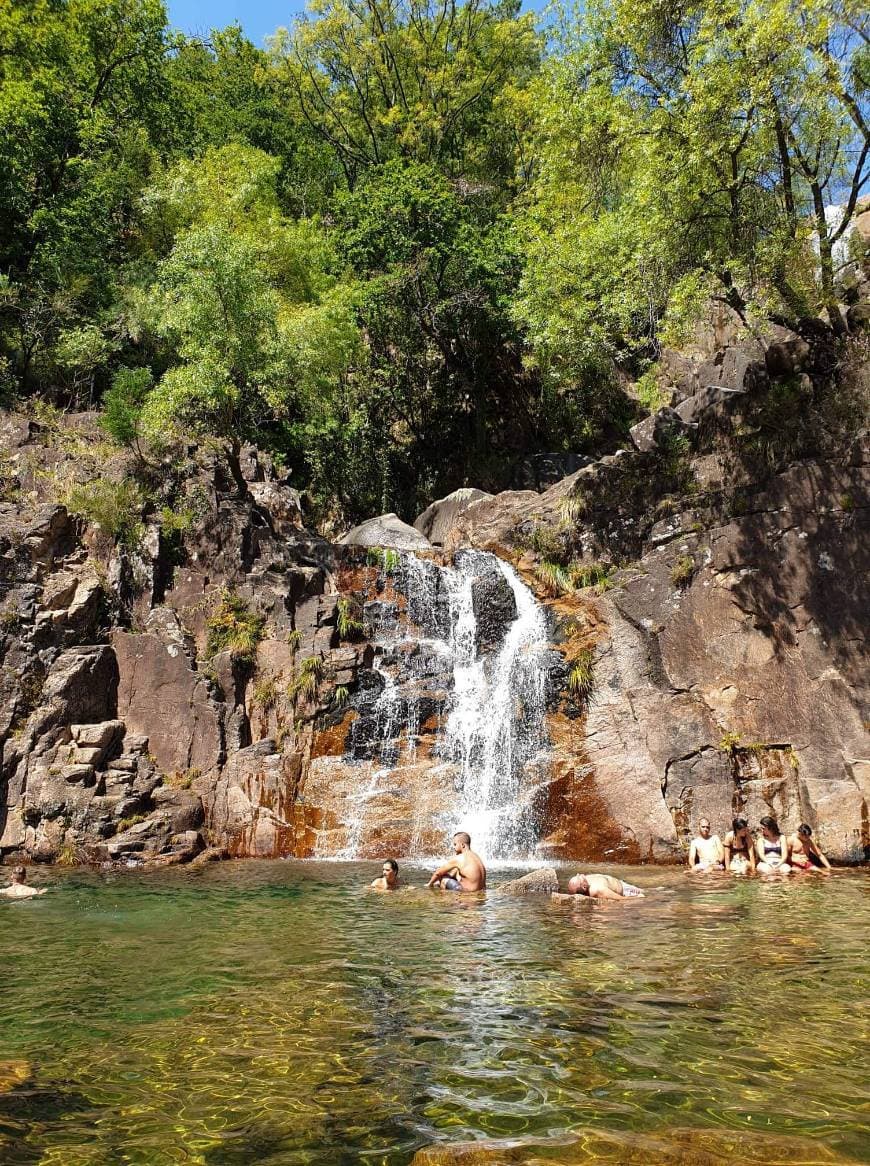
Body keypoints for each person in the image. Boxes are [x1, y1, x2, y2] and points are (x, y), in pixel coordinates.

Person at [566, 873, 644, 900]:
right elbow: (620, 899)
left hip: (621, 883)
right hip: (626, 891)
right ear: (584, 887)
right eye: (579, 877)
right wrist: (637, 897)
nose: (579, 874)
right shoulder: (598, 890)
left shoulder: (584, 881)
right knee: (652, 894)